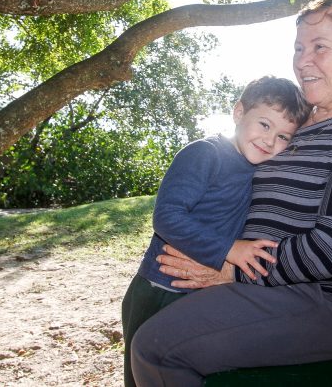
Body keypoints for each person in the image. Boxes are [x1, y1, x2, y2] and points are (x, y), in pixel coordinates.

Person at [130, 0, 332, 386]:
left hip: (328, 299)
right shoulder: (302, 122)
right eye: (299, 48)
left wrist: (235, 270)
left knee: (156, 348)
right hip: (268, 281)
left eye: (319, 47)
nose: (302, 61)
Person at [121, 76, 311, 387]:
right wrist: (229, 249)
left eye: (282, 136)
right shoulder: (205, 154)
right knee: (145, 374)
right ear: (239, 112)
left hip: (201, 291)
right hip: (160, 289)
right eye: (264, 124)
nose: (269, 140)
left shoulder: (258, 167)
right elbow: (167, 217)